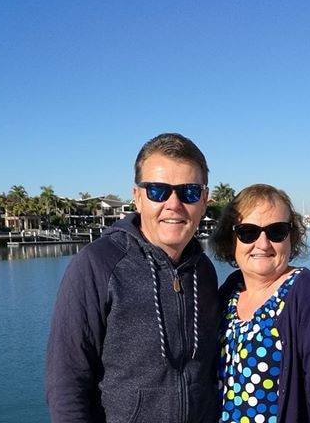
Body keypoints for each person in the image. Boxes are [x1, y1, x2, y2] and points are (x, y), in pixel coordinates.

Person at [46, 133, 221, 423]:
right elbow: (66, 382)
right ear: (138, 197)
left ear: (203, 200)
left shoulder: (204, 271)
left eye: (188, 192)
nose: (174, 204)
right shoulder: (98, 265)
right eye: (158, 191)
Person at [212, 184, 310, 422]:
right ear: (231, 239)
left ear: (292, 237)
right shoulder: (229, 292)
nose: (263, 243)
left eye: (277, 231)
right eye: (248, 232)